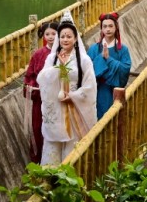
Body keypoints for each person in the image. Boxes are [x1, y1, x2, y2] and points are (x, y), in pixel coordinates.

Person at [36, 10, 97, 166]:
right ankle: (50, 179)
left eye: (69, 36)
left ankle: (72, 179)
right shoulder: (52, 58)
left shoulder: (84, 60)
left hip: (75, 106)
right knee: (53, 145)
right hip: (56, 108)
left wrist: (74, 96)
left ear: (76, 38)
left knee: (73, 143)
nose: (65, 39)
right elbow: (42, 78)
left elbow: (90, 86)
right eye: (62, 36)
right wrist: (59, 68)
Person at [22, 21, 59, 164]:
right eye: (47, 34)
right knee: (38, 129)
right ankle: (37, 161)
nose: (50, 37)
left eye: (53, 34)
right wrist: (31, 87)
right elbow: (29, 76)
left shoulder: (63, 52)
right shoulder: (38, 54)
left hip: (57, 100)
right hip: (40, 100)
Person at [87, 12, 131, 119]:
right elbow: (87, 70)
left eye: (111, 26)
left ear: (116, 27)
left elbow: (125, 69)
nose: (108, 29)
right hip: (97, 90)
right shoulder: (94, 49)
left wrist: (108, 59)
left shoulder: (123, 49)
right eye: (105, 26)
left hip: (115, 92)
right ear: (101, 29)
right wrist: (101, 59)